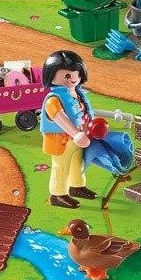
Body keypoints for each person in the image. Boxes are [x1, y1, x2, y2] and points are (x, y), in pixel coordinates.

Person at [39, 50, 98, 210]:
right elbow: (60, 118)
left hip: (79, 138)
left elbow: (84, 112)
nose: (72, 78)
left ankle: (77, 186)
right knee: (61, 167)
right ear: (51, 76)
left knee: (77, 163)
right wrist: (76, 134)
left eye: (76, 74)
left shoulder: (77, 93)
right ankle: (57, 194)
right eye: (66, 76)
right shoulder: (53, 99)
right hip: (62, 140)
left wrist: (91, 127)